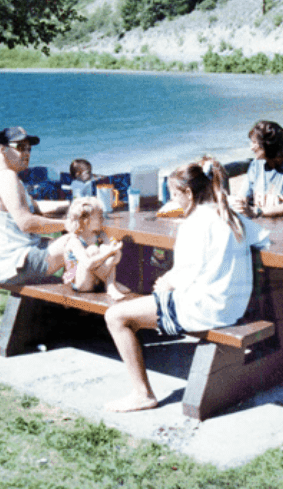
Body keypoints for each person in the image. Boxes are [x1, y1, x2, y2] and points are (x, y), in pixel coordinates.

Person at [103, 159, 271, 412]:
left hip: (204, 309)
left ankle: (142, 394)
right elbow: (264, 239)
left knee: (115, 316)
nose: (174, 201)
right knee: (140, 305)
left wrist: (165, 283)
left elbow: (184, 274)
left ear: (189, 194)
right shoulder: (229, 215)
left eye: (174, 195)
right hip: (232, 305)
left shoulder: (194, 224)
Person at [0, 127, 70, 285]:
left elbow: (35, 206)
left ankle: (73, 283)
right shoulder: (6, 177)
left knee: (58, 241)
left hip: (0, 265)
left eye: (28, 149)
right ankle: (84, 290)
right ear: (2, 149)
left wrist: (70, 205)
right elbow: (26, 223)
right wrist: (68, 224)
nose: (26, 153)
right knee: (77, 240)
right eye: (20, 147)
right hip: (14, 266)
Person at [230, 120, 283, 218]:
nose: (251, 148)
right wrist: (239, 205)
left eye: (255, 142)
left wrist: (258, 212)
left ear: (268, 145)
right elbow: (242, 197)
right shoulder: (256, 166)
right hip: (262, 225)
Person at [62, 197, 130, 300]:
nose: (102, 219)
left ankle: (110, 285)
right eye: (99, 216)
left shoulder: (101, 235)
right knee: (93, 250)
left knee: (105, 249)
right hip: (81, 283)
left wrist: (115, 251)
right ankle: (111, 285)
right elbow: (87, 264)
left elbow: (115, 258)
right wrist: (108, 252)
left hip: (97, 281)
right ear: (85, 220)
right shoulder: (74, 241)